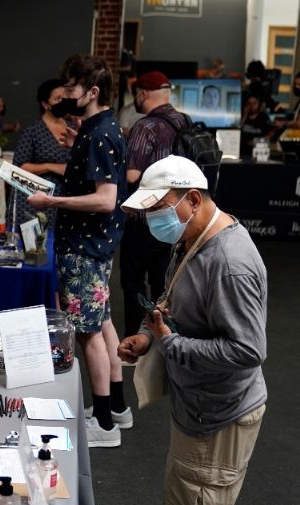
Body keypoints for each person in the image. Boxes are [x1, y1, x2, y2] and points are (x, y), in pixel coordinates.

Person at [118, 155, 267, 505]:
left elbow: (248, 350)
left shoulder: (229, 261)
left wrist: (170, 344)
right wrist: (148, 335)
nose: (153, 219)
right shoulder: (191, 239)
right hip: (201, 406)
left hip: (220, 413)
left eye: (160, 207)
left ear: (194, 199)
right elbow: (175, 302)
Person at [28, 54, 127, 448]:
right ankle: (115, 406)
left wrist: (51, 203)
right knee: (101, 325)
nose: (65, 95)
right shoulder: (97, 128)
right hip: (93, 245)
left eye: (71, 89)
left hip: (84, 247)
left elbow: (105, 200)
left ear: (93, 92)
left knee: (88, 334)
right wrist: (76, 148)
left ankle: (104, 423)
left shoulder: (100, 133)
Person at [121, 71, 187, 352]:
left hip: (145, 217)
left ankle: (136, 342)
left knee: (133, 281)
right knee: (164, 282)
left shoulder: (144, 126)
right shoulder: (184, 122)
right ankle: (164, 335)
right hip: (178, 216)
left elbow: (132, 175)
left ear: (143, 94)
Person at [12, 79, 72, 227]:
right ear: (45, 104)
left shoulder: (73, 128)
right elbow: (19, 167)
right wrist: (52, 167)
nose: (62, 102)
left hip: (66, 199)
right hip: (36, 199)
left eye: (65, 98)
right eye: (57, 99)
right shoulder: (33, 131)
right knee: (36, 246)